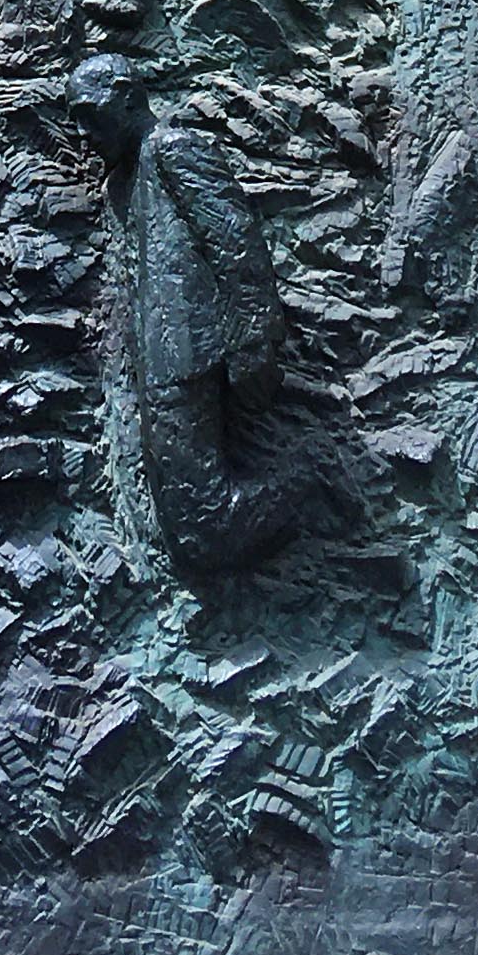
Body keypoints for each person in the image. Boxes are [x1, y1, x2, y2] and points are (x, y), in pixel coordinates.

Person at [66, 53, 295, 579]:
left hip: (194, 358)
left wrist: (253, 343)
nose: (81, 134)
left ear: (128, 99)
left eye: (89, 114)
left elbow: (235, 239)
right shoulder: (122, 182)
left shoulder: (174, 147)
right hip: (159, 363)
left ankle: (311, 484)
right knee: (186, 522)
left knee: (202, 524)